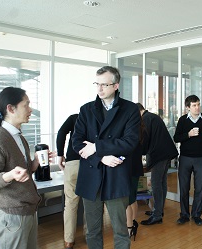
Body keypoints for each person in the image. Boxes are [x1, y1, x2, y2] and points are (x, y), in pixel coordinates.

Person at [72, 66, 140, 249]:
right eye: (97, 84)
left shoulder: (130, 109)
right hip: (92, 174)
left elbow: (130, 142)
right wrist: (100, 157)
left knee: (120, 230)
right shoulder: (86, 110)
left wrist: (96, 147)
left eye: (104, 85)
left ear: (116, 85)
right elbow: (77, 142)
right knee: (92, 231)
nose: (99, 89)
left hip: (116, 175)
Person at [0, 87, 45, 249]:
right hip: (11, 216)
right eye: (26, 105)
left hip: (27, 211)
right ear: (10, 108)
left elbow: (24, 172)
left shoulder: (19, 137)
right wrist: (10, 175)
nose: (30, 109)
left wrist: (34, 163)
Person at [173, 95, 202, 226]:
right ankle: (184, 215)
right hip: (185, 158)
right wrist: (188, 134)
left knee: (199, 188)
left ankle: (196, 214)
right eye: (194, 105)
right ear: (188, 108)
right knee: (184, 188)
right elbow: (176, 138)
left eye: (198, 104)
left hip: (201, 158)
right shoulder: (182, 120)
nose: (197, 107)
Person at [137, 103, 179, 226]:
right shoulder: (152, 116)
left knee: (156, 184)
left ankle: (157, 215)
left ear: (138, 112)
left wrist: (140, 152)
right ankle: (158, 211)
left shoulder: (146, 119)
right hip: (165, 154)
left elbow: (145, 140)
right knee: (162, 183)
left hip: (159, 155)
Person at [56, 113, 81, 249]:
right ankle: (91, 235)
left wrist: (60, 154)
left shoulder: (74, 117)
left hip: (72, 163)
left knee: (70, 203)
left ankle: (69, 241)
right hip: (91, 164)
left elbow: (61, 133)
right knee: (92, 201)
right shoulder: (97, 118)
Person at [126, 112, 147, 241]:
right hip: (136, 167)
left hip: (129, 168)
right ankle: (133, 222)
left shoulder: (130, 132)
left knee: (127, 200)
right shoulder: (141, 130)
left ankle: (129, 228)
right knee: (132, 198)